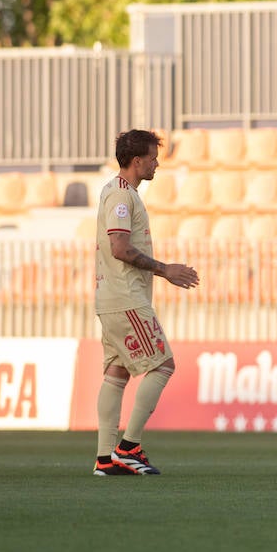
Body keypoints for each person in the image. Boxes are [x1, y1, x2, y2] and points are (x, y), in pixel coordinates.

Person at [92, 129, 199, 476]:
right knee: (163, 365)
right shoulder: (122, 197)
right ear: (137, 161)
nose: (157, 164)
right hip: (125, 297)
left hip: (110, 296)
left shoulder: (116, 191)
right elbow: (119, 247)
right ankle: (128, 446)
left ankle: (106, 458)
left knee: (117, 371)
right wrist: (164, 269)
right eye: (153, 158)